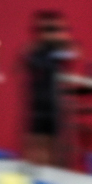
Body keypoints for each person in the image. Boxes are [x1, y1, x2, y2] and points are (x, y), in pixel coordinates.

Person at [20, 11, 75, 166]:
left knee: (56, 147)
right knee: (37, 144)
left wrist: (61, 38)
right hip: (38, 103)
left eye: (54, 29)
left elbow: (73, 54)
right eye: (45, 29)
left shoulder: (62, 50)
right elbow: (26, 61)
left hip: (55, 103)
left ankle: (55, 179)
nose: (49, 34)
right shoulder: (33, 51)